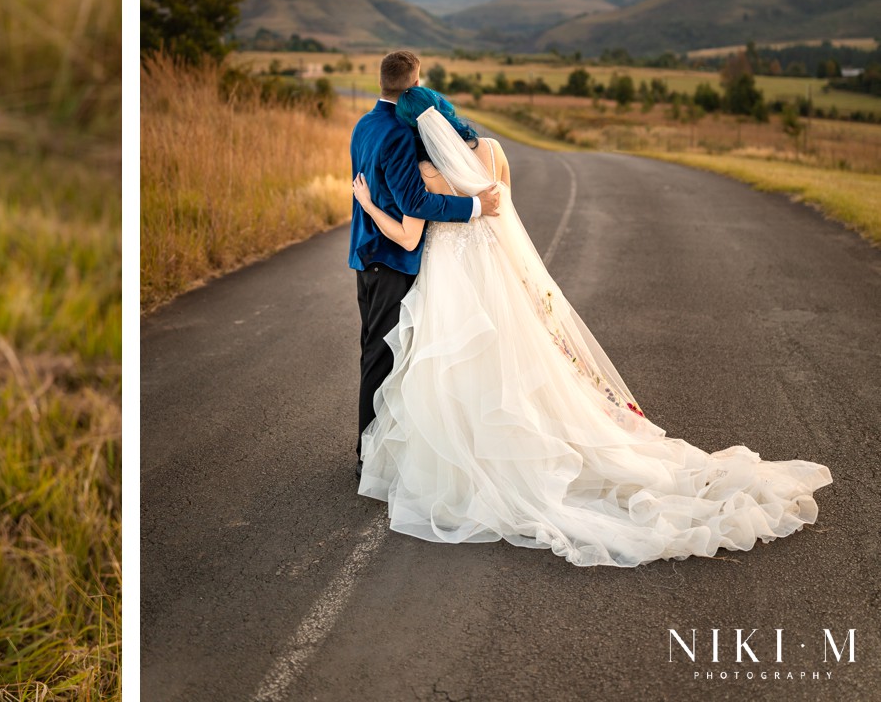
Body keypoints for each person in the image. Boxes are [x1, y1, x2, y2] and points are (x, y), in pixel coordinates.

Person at [351, 85, 832, 566]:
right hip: (494, 269)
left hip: (452, 279)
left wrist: (371, 205)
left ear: (415, 127)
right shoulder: (494, 152)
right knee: (514, 357)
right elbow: (508, 214)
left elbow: (416, 221)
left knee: (452, 364)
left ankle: (461, 457)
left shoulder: (427, 171)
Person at [348, 50, 500, 479]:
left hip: (366, 254)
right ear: (415, 83)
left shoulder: (364, 123)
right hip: (392, 257)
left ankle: (379, 446)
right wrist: (475, 206)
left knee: (380, 353)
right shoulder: (400, 133)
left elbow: (375, 189)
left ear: (381, 81)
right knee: (382, 357)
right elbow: (414, 201)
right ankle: (368, 455)